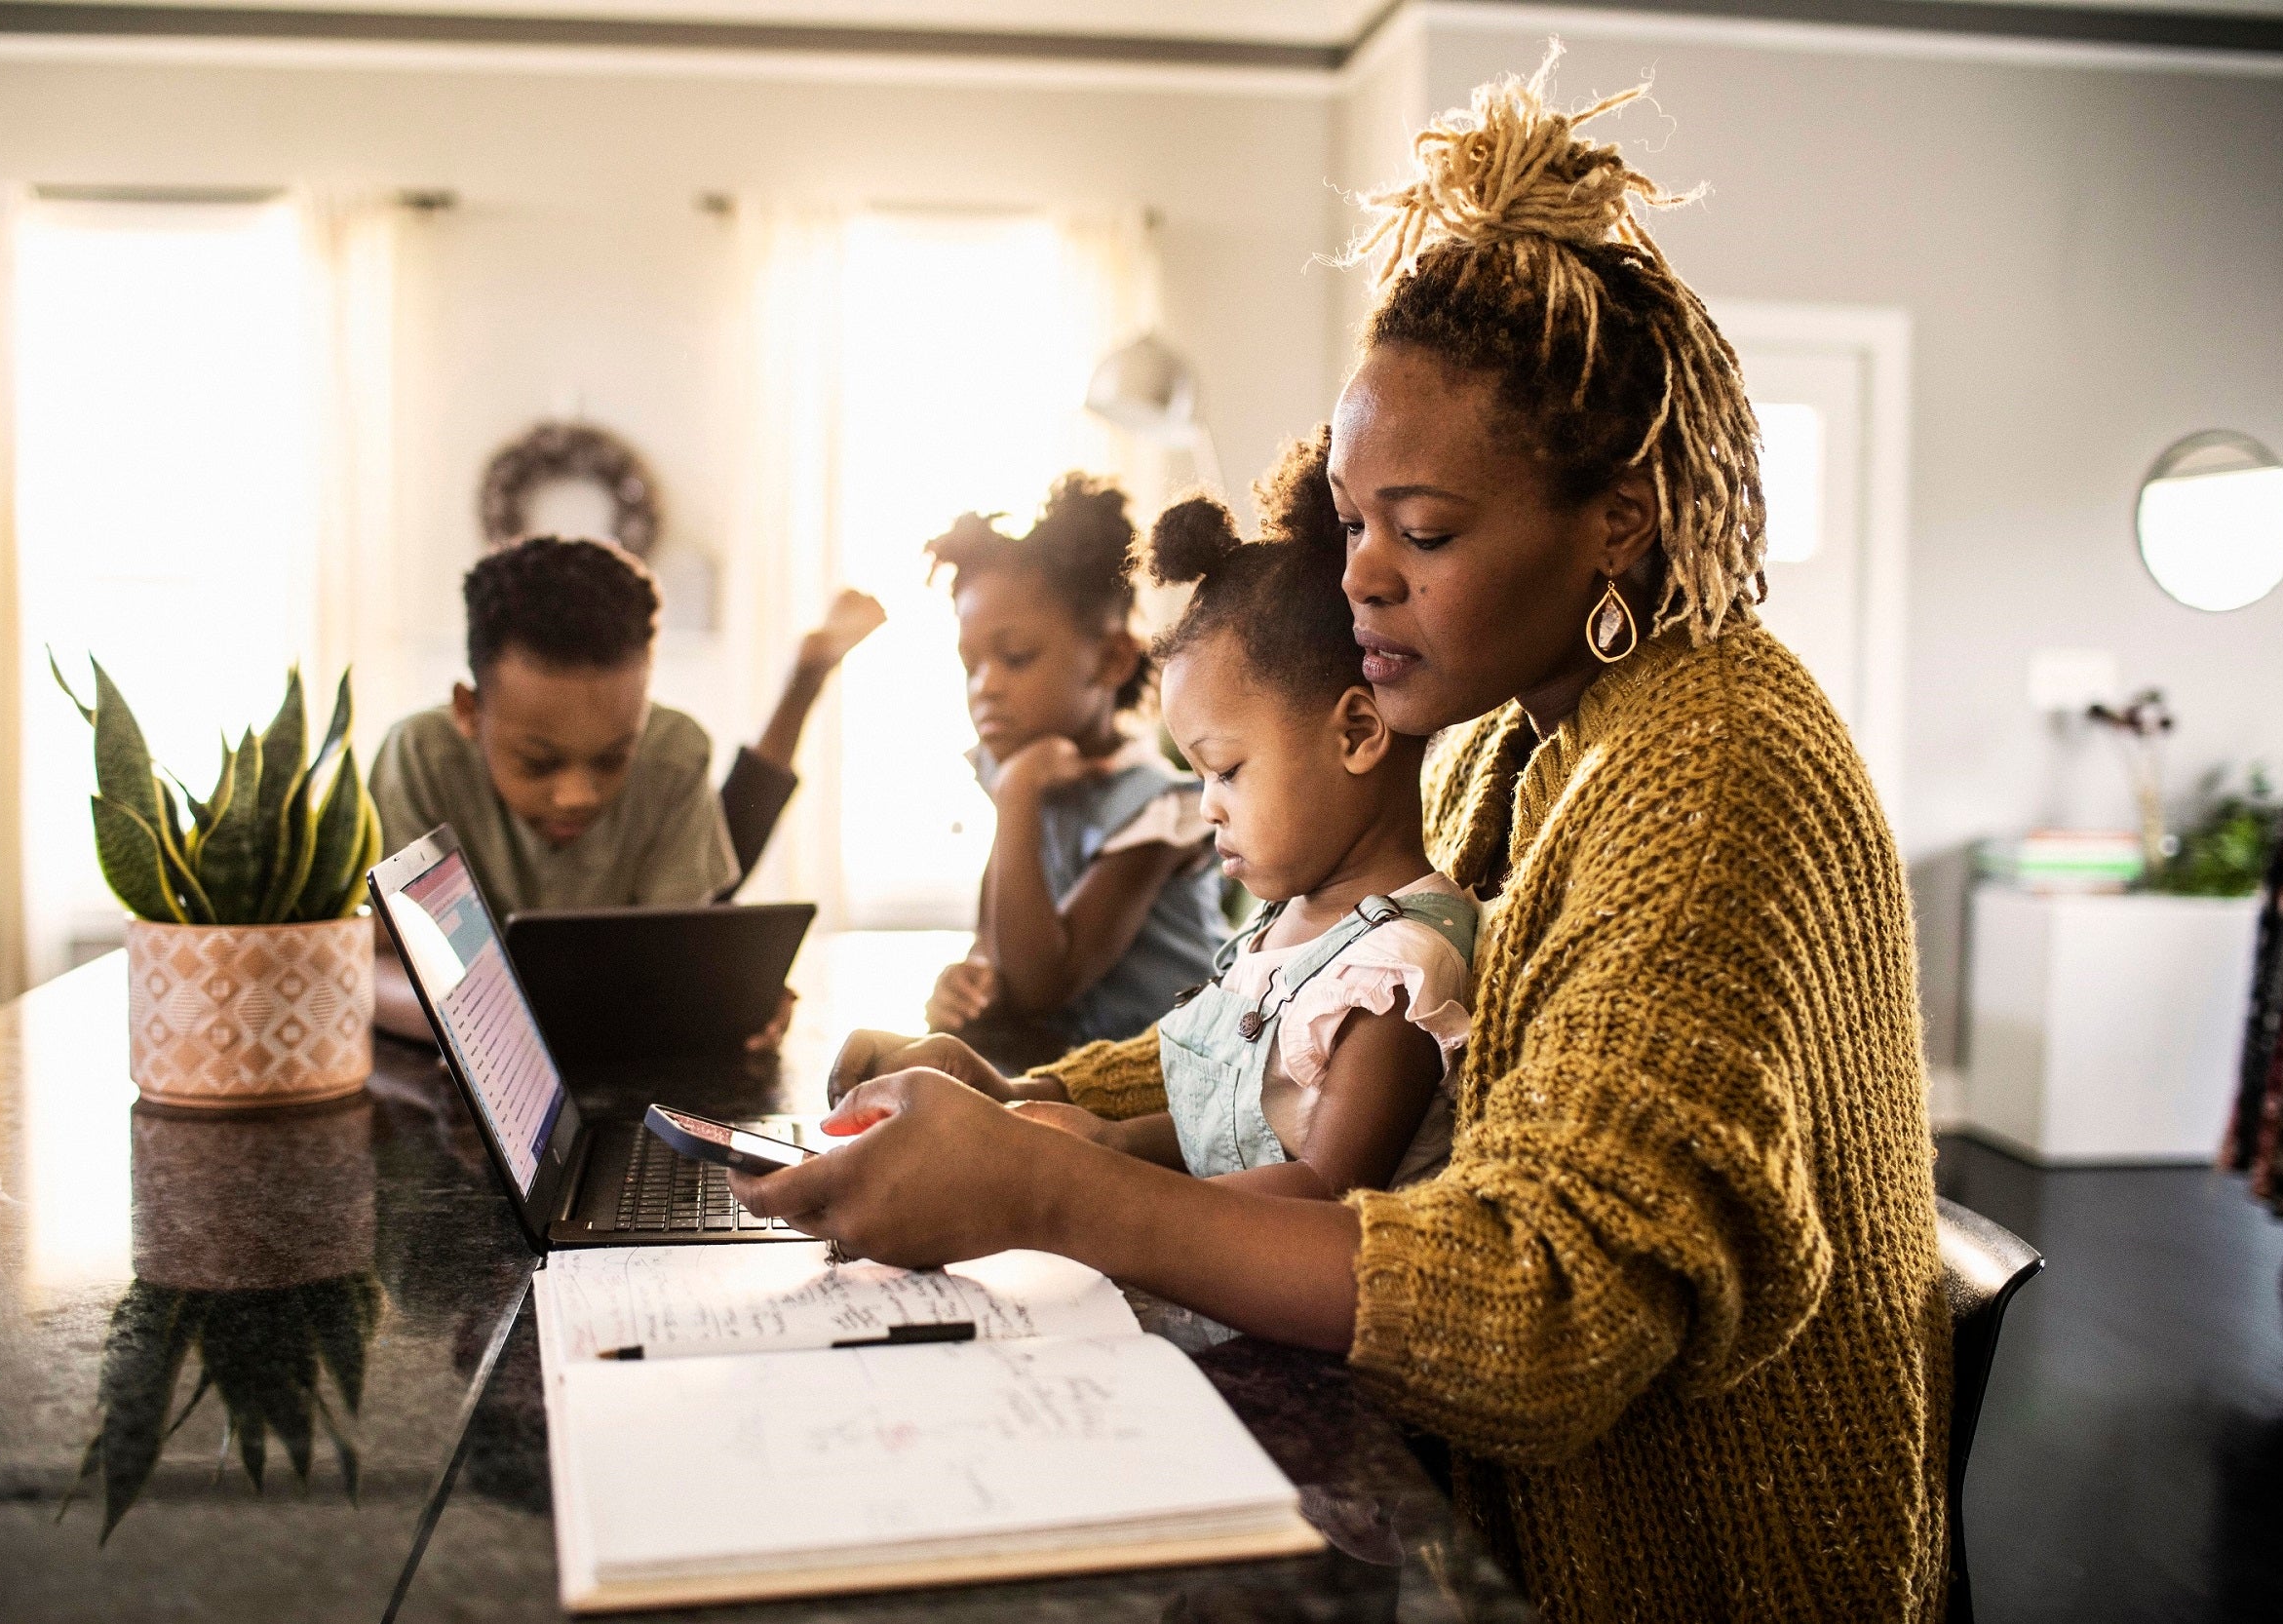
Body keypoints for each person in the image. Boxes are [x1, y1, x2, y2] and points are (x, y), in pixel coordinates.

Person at [732, 55, 1948, 1624]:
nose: (1363, 578)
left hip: (1684, 1563)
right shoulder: (1531, 721)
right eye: (1356, 519)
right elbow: (1298, 1001)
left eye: (1425, 533)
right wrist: (1023, 1104)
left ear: (1621, 522)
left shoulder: (1710, 774)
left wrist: (1049, 1191)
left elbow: (1547, 1309)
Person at [1013, 478, 1478, 1224]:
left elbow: (1321, 1194)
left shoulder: (1396, 971)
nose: (1207, 806)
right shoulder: (1283, 924)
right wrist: (1104, 1141)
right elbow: (1233, 1129)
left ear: (1357, 733)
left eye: (1227, 771)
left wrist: (1087, 1190)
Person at [369, 534, 882, 1039]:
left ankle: (803, 684)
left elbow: (680, 951)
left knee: (722, 875)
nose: (578, 796)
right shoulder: (418, 756)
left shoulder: (674, 750)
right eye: (538, 762)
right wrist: (494, 1021)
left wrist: (725, 993)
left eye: (614, 758)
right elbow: (366, 965)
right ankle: (804, 681)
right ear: (469, 711)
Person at [921, 475, 1226, 1065]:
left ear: (1111, 659)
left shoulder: (1159, 808)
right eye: (970, 665)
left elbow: (1043, 983)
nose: (985, 687)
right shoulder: (1020, 776)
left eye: (1015, 658)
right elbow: (1000, 952)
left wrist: (1017, 797)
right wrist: (968, 984)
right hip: (1065, 1072)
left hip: (1169, 1084)